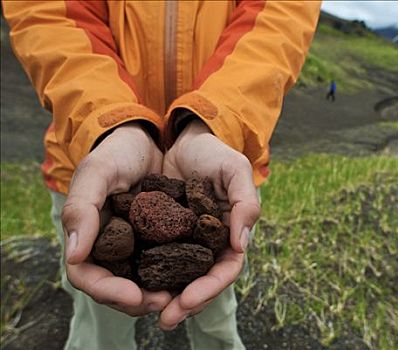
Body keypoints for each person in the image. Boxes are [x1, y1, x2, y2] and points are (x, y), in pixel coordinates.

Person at [3, 1, 320, 349]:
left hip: (223, 168)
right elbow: (50, 16)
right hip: (92, 164)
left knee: (215, 303)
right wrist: (111, 123)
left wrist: (214, 122)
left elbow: (277, 21)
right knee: (100, 321)